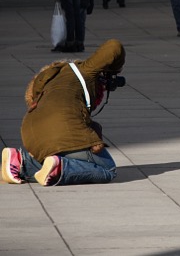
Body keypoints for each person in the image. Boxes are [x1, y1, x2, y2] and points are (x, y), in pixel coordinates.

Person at [1, 39, 126, 186]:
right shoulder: (85, 70)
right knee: (108, 169)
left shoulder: (50, 82)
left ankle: (20, 162)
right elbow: (114, 46)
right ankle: (61, 168)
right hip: (63, 127)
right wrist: (113, 70)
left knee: (55, 159)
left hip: (31, 132)